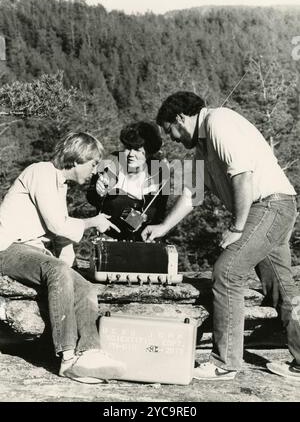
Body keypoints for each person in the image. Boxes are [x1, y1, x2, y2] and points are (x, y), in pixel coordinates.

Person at [141, 91, 300, 381]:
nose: (173, 137)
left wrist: (238, 226)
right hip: (275, 206)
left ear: (180, 118)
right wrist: (163, 228)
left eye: (170, 130)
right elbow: (192, 194)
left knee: (227, 272)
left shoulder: (219, 122)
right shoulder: (203, 147)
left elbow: (242, 176)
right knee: (280, 285)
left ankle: (225, 363)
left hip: (268, 205)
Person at [0, 132, 126, 384]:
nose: (94, 171)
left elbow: (61, 236)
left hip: (32, 252)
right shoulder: (41, 171)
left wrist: (69, 266)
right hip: (7, 248)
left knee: (85, 286)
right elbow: (57, 224)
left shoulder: (59, 184)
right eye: (92, 164)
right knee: (57, 271)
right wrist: (93, 222)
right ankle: (68, 358)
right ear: (76, 159)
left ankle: (89, 352)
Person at [87, 121, 169, 241]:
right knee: (117, 198)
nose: (131, 154)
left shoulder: (159, 170)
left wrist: (145, 218)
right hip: (113, 230)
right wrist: (99, 192)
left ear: (149, 151)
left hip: (143, 234)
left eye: (137, 150)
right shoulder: (112, 161)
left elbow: (159, 211)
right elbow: (93, 198)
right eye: (128, 148)